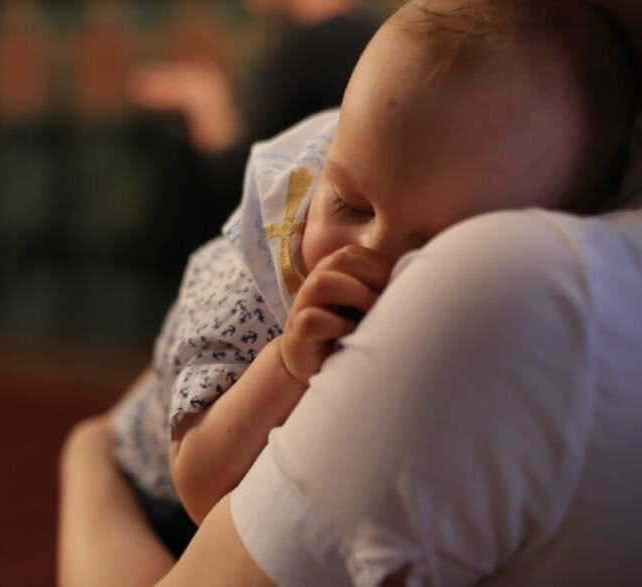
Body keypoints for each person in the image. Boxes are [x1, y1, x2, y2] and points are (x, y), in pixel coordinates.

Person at [92, 0, 637, 566]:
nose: (368, 254)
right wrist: (286, 363)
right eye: (348, 203)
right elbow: (200, 490)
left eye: (433, 247)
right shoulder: (255, 279)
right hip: (156, 502)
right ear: (322, 165)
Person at [132, 0, 379, 275]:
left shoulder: (315, 45)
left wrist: (204, 100)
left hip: (296, 264)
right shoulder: (370, 37)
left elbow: (249, 184)